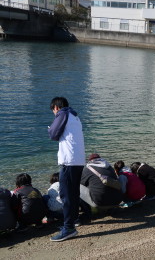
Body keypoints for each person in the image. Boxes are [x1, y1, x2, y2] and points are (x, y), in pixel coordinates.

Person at [48, 97, 85, 242]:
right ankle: (74, 219)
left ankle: (69, 228)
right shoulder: (75, 116)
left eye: (53, 110)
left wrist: (50, 128)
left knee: (66, 194)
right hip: (79, 159)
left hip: (69, 161)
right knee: (73, 191)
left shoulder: (62, 114)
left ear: (56, 107)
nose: (54, 113)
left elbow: (53, 135)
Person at [79, 154, 123, 222]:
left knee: (77, 186)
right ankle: (109, 208)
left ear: (90, 161)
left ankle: (87, 213)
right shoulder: (109, 167)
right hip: (117, 201)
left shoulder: (88, 168)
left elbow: (82, 183)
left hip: (100, 203)